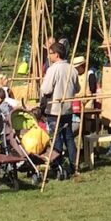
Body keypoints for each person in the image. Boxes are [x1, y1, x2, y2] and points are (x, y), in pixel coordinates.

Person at [40, 42, 78, 177]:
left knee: (56, 137)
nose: (49, 56)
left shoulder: (53, 69)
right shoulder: (72, 69)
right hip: (67, 109)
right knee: (69, 137)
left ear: (56, 54)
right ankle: (74, 164)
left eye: (50, 53)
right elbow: (77, 88)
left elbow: (46, 89)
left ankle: (58, 166)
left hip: (54, 109)